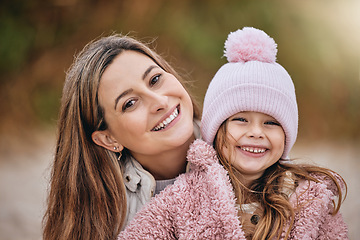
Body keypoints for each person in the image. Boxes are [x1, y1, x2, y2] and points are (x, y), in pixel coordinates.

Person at [118, 27, 348, 239]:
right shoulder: (184, 197)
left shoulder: (309, 198)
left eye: (271, 123)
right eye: (240, 119)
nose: (256, 132)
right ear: (216, 129)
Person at [42, 34, 201, 240]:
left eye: (155, 80)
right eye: (130, 103)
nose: (159, 101)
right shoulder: (105, 221)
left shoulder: (246, 154)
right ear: (109, 139)